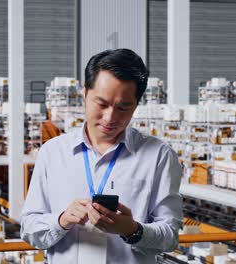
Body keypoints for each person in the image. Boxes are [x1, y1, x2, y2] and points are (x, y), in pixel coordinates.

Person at [21, 49, 183, 264]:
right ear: (85, 93)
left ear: (136, 105)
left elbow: (170, 236)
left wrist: (133, 230)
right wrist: (61, 221)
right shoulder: (52, 152)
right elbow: (29, 229)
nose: (110, 117)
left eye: (123, 107)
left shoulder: (159, 156)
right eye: (102, 104)